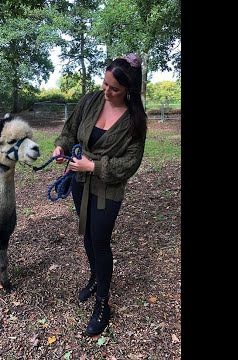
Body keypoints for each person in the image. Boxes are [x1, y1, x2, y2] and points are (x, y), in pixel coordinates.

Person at [52, 53, 147, 336]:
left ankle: (103, 303)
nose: (106, 91)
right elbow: (69, 131)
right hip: (80, 181)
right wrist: (61, 148)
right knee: (87, 235)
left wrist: (94, 165)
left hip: (108, 189)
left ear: (128, 90)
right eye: (104, 83)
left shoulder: (134, 121)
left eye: (114, 88)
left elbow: (131, 163)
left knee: (101, 240)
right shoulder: (91, 100)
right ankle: (95, 278)